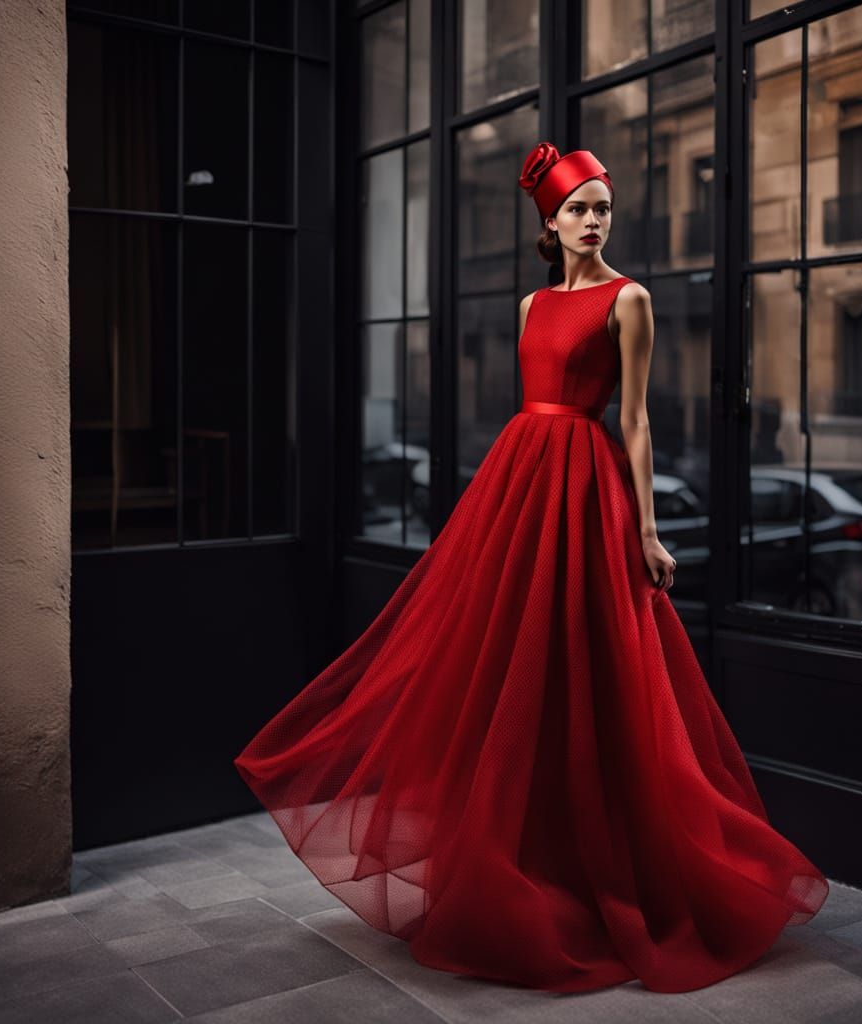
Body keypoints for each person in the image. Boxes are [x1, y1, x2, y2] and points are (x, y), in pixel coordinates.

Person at [234, 141, 829, 994]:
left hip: (587, 491)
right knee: (503, 666)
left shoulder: (632, 299)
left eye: (603, 208)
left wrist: (649, 531)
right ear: (548, 222)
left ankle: (614, 869)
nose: (594, 221)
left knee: (598, 671)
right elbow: (531, 399)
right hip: (521, 483)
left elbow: (636, 423)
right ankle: (519, 859)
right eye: (578, 208)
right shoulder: (530, 304)